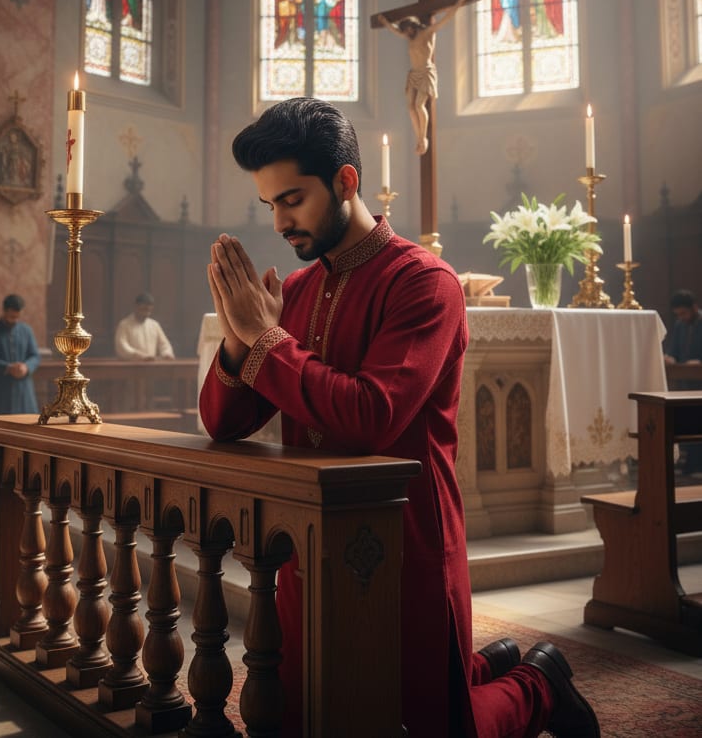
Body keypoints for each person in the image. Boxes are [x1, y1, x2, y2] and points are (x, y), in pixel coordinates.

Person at [199, 97, 600, 737]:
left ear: (346, 181)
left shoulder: (423, 282)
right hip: (310, 538)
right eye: (269, 204)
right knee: (317, 713)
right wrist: (239, 341)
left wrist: (267, 342)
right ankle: (478, 664)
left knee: (431, 727)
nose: (278, 222)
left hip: (409, 538)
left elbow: (370, 416)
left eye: (292, 199)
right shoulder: (295, 293)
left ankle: (538, 682)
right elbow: (223, 424)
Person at [377, 0, 467, 156]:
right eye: (405, 31)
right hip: (414, 74)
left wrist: (460, 2)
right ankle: (419, 137)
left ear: (413, 26)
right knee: (410, 107)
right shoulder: (408, 36)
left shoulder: (426, 33)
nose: (407, 33)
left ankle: (422, 138)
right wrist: (384, 22)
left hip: (426, 72)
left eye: (409, 30)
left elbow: (446, 19)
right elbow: (395, 30)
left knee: (419, 105)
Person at [0, 294, 41, 474]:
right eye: (12, 316)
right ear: (4, 311)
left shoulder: (26, 330)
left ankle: (28, 466)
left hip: (23, 389)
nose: (15, 320)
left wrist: (26, 367)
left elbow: (35, 355)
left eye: (18, 316)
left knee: (27, 427)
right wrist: (7, 367)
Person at [664, 289, 702, 475]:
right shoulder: (680, 325)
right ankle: (688, 462)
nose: (681, 317)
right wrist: (670, 357)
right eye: (678, 314)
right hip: (685, 380)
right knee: (687, 419)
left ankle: (697, 463)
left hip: (700, 381)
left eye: (684, 313)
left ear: (694, 307)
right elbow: (674, 350)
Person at [114, 293, 175, 360]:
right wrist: (137, 355)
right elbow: (122, 346)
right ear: (136, 306)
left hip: (150, 365)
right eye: (143, 309)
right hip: (131, 365)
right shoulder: (124, 325)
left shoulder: (154, 325)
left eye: (149, 310)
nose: (147, 314)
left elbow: (164, 344)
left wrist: (167, 353)